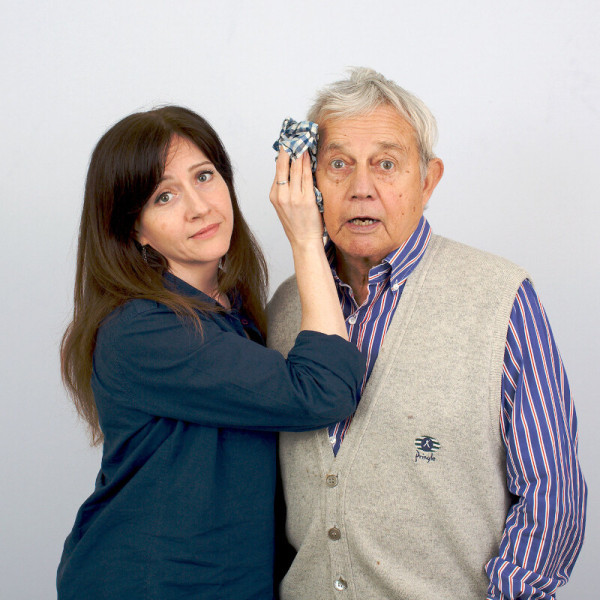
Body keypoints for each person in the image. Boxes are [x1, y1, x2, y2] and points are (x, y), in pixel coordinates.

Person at [267, 68, 587, 600]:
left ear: (428, 179)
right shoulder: (283, 309)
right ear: (310, 181)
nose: (362, 188)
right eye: (338, 164)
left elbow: (551, 494)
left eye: (386, 164)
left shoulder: (500, 298)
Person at [57, 106, 365, 600]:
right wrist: (307, 238)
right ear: (135, 229)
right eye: (164, 196)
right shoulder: (141, 330)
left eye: (205, 176)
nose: (199, 206)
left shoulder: (235, 307)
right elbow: (320, 392)